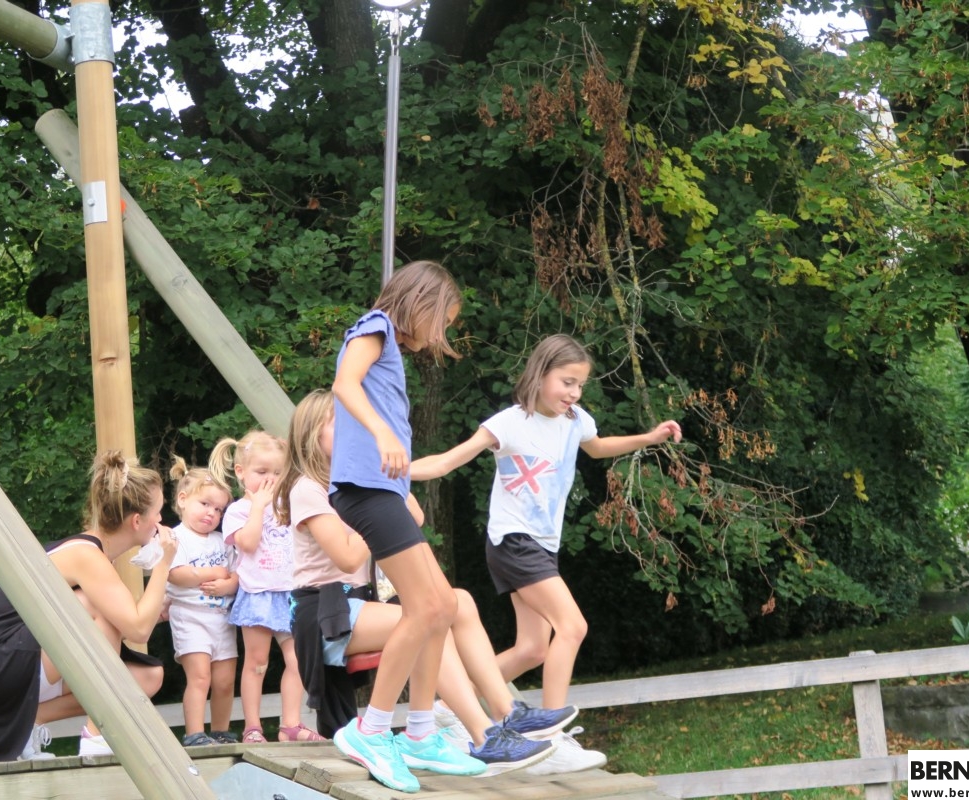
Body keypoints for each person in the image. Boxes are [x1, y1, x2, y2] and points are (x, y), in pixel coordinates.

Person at [411, 333, 683, 775]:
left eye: (580, 385)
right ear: (540, 375)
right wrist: (395, 473)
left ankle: (448, 706)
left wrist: (649, 438)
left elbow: (598, 447)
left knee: (533, 648)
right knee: (572, 626)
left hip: (541, 545)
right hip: (513, 541)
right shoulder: (509, 423)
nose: (574, 393)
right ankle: (551, 738)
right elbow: (446, 462)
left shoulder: (575, 421)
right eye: (567, 382)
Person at [276, 389, 580, 775]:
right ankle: (483, 734)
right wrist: (375, 516)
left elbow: (415, 516)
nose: (356, 436)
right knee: (430, 616)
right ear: (311, 434)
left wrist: (380, 484)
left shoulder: (354, 483)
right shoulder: (308, 488)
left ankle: (506, 711)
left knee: (459, 601)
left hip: (362, 604)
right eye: (342, 427)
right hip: (325, 611)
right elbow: (348, 556)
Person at [327, 260, 485, 793]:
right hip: (365, 489)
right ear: (420, 304)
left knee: (442, 605)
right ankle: (371, 730)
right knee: (422, 608)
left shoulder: (390, 345)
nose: (440, 335)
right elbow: (345, 384)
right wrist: (381, 433)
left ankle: (419, 733)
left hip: (382, 491)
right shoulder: (374, 326)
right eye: (442, 322)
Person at [0, 451, 177, 761]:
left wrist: (153, 612)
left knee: (147, 677)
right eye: (158, 512)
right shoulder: (86, 555)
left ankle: (32, 720)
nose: (161, 521)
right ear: (137, 520)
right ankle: (98, 736)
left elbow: (136, 623)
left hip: (18, 660)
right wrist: (164, 563)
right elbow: (137, 628)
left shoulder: (96, 555)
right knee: (95, 607)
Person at [209, 431, 321, 743]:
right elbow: (247, 542)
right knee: (257, 663)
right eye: (261, 472)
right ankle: (253, 727)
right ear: (241, 472)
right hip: (257, 592)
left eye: (277, 472)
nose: (270, 479)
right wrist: (258, 507)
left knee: (299, 660)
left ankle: (291, 724)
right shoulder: (238, 511)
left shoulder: (289, 504)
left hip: (291, 593)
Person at [164, 457, 239, 746]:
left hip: (222, 618)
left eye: (218, 509)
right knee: (200, 677)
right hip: (190, 616)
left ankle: (220, 731)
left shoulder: (223, 540)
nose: (211, 513)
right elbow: (176, 575)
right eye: (205, 504)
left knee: (225, 681)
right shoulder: (176, 538)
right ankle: (194, 733)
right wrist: (213, 573)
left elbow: (238, 574)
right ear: (183, 500)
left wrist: (228, 583)